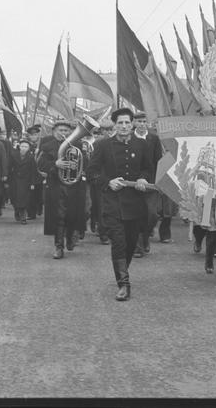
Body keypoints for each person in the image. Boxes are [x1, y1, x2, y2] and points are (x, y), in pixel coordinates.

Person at [87, 107, 152, 301]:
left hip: (135, 203)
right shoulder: (102, 145)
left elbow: (148, 169)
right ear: (114, 125)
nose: (124, 126)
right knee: (119, 242)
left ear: (132, 124)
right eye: (120, 123)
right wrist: (108, 182)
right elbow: (91, 172)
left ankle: (123, 270)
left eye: (127, 122)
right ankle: (123, 284)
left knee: (131, 243)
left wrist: (143, 179)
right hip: (112, 203)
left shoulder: (142, 145)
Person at [37, 120, 84, 258]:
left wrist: (78, 165)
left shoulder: (77, 144)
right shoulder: (46, 146)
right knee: (59, 216)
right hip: (55, 185)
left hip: (74, 186)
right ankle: (58, 247)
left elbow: (86, 162)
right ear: (54, 132)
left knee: (71, 215)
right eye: (60, 130)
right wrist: (55, 164)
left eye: (65, 131)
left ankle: (69, 238)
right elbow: (40, 164)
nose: (63, 133)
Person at [132, 112, 162, 258]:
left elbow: (158, 161)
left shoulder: (154, 139)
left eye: (144, 121)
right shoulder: (129, 138)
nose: (142, 124)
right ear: (134, 123)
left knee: (152, 214)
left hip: (151, 183)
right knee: (136, 214)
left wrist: (159, 181)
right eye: (139, 121)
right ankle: (138, 247)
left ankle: (145, 237)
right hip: (132, 183)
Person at [10, 138, 38, 224]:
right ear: (19, 146)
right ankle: (16, 210)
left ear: (29, 148)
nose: (24, 148)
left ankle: (23, 216)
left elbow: (33, 171)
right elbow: (9, 168)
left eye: (26, 146)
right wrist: (7, 180)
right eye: (22, 146)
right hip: (14, 180)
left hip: (26, 181)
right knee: (14, 197)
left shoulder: (31, 157)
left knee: (24, 199)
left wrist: (33, 183)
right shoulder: (13, 155)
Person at [25, 125, 43, 220]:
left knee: (39, 194)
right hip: (29, 174)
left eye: (35, 135)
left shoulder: (42, 145)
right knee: (30, 195)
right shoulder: (25, 145)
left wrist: (39, 151)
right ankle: (31, 213)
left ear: (38, 135)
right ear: (29, 136)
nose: (33, 137)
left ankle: (39, 208)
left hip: (40, 173)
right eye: (31, 135)